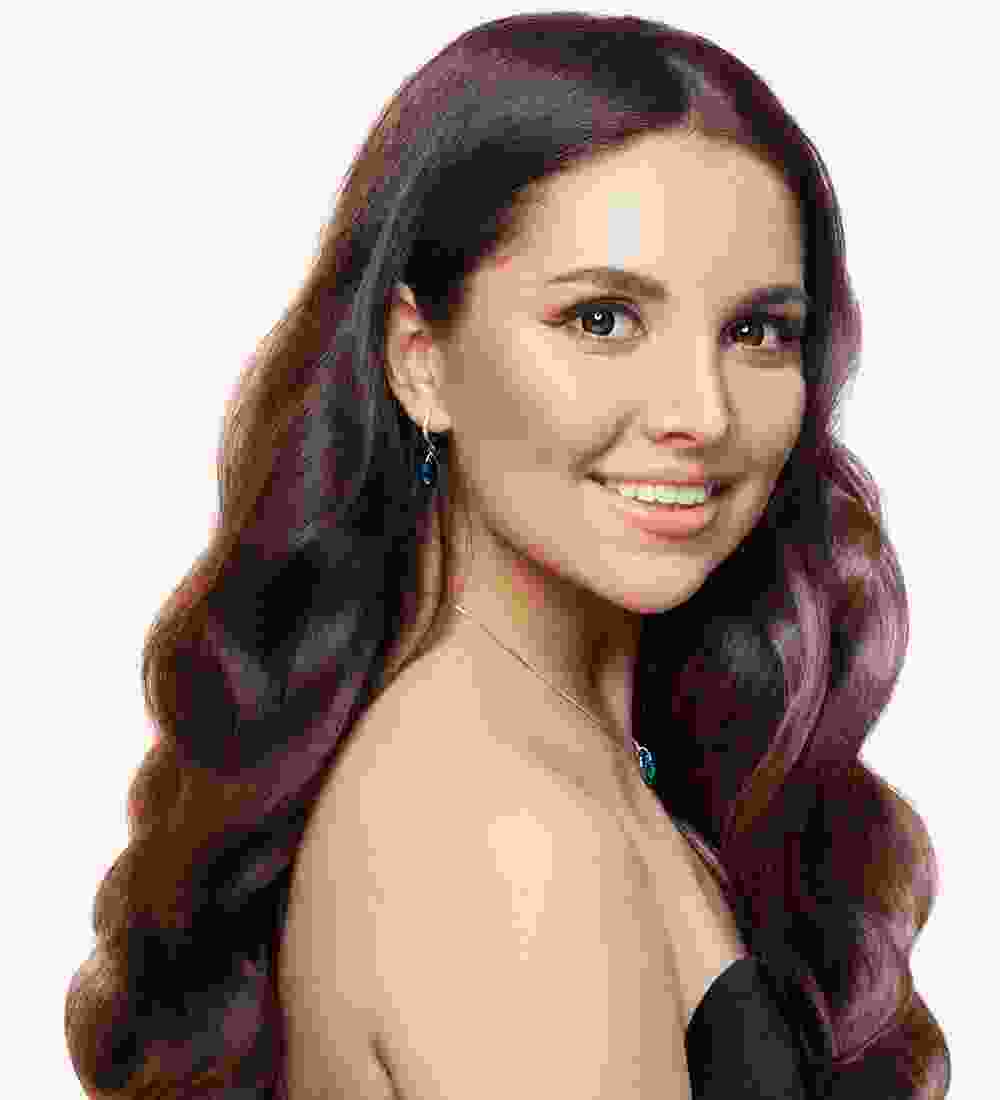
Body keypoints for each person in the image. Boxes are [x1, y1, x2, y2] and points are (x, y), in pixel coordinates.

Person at [65, 12, 950, 1100]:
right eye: (603, 320)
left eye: (756, 331)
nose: (703, 412)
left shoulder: (568, 752)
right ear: (420, 360)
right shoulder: (502, 829)